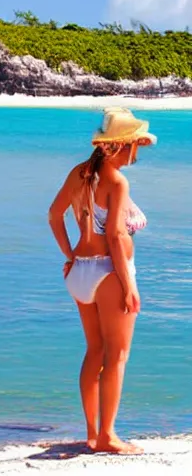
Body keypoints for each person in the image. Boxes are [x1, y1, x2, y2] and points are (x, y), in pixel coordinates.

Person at [48, 107, 157, 454]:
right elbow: (113, 237)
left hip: (80, 272)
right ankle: (108, 437)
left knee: (94, 350)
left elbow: (54, 215)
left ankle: (92, 434)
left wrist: (69, 255)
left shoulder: (79, 172)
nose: (136, 154)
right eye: (134, 146)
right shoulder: (117, 181)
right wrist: (130, 286)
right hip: (109, 272)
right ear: (122, 146)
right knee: (118, 356)